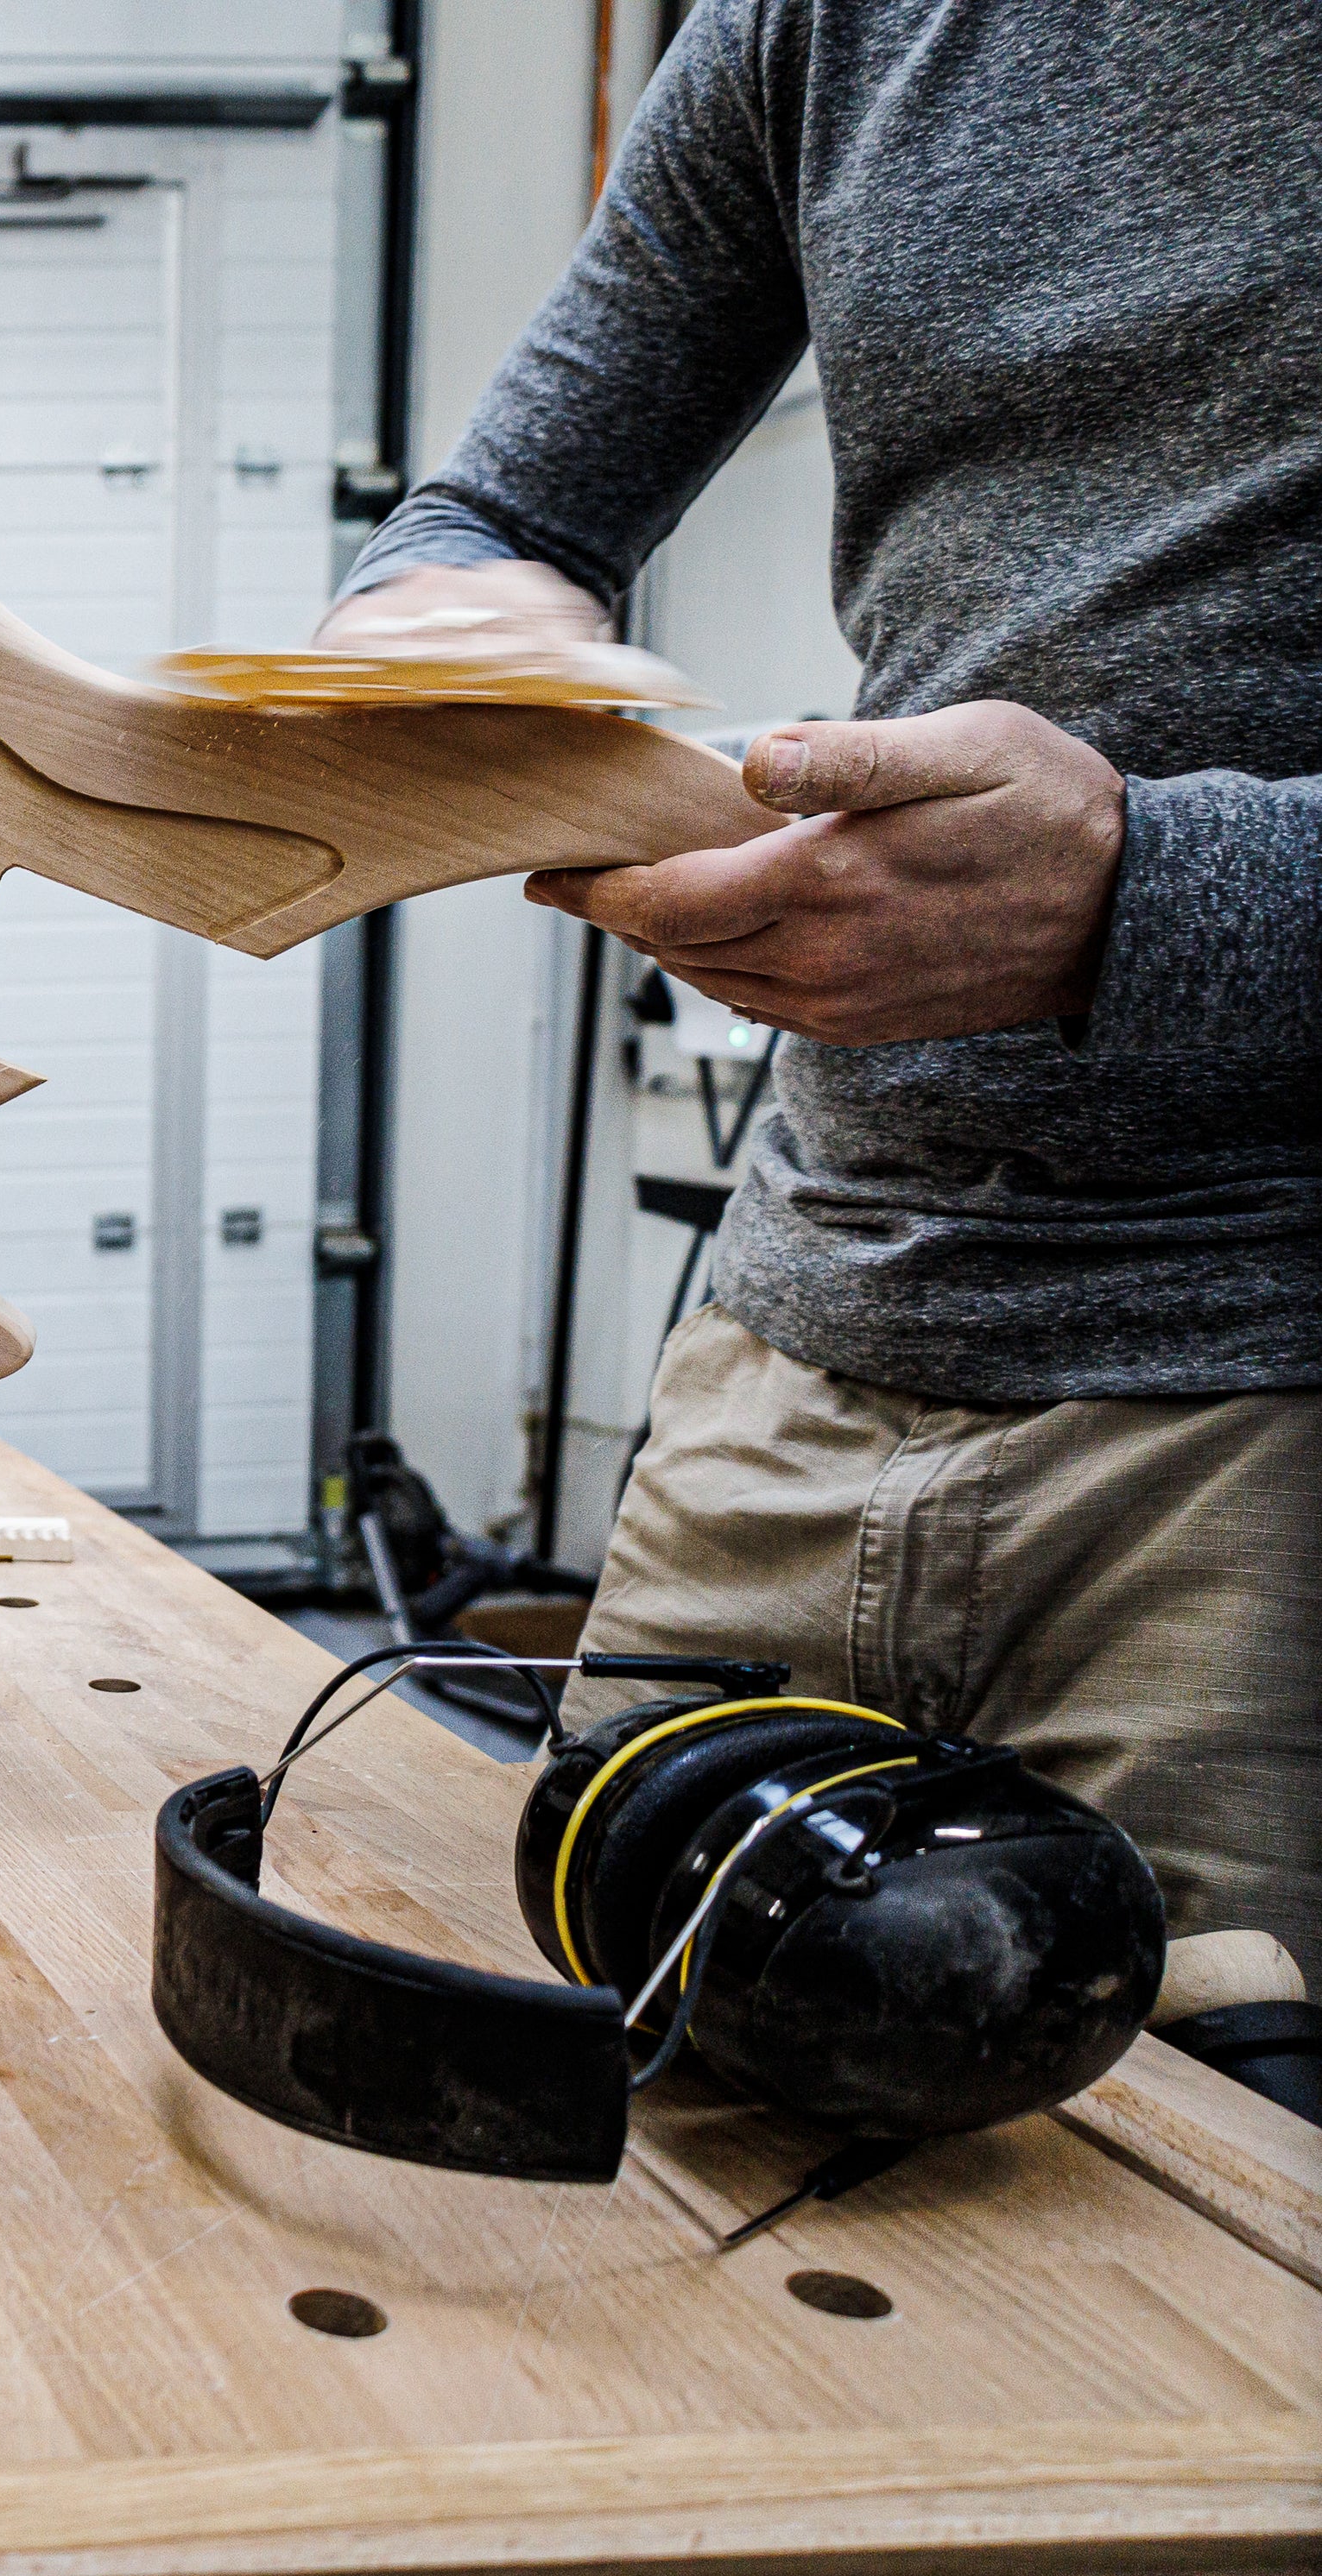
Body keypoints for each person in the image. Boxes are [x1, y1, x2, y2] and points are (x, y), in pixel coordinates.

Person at [324, 1, 1319, 1973]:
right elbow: (501, 514)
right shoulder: (831, 22)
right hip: (803, 1346)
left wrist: (1147, 894)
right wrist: (455, 622)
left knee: (1188, 2238)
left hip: (1260, 1424)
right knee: (621, 2110)